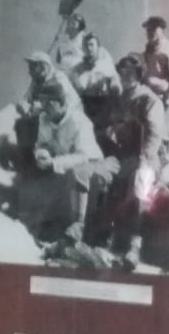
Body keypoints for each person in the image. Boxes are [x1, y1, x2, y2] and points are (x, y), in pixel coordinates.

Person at [97, 53, 167, 269]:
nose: (125, 75)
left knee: (139, 179)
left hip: (147, 157)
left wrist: (144, 159)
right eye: (122, 70)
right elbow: (106, 127)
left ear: (139, 73)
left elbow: (154, 136)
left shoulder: (149, 100)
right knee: (102, 176)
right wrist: (109, 132)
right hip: (123, 156)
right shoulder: (119, 100)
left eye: (130, 71)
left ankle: (134, 246)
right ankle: (106, 235)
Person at [24, 72, 109, 249]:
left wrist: (54, 163)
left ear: (61, 102)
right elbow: (41, 143)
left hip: (92, 165)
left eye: (49, 102)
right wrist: (42, 154)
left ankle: (79, 225)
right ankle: (44, 227)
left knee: (77, 171)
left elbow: (82, 156)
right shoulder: (44, 118)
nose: (44, 106)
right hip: (62, 165)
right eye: (42, 101)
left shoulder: (80, 121)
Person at [64, 31, 119, 121]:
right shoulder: (77, 69)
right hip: (84, 108)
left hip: (103, 106)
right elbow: (71, 90)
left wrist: (113, 85)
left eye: (91, 45)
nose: (89, 48)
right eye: (86, 46)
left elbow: (115, 84)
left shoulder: (106, 65)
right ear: (83, 48)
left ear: (98, 47)